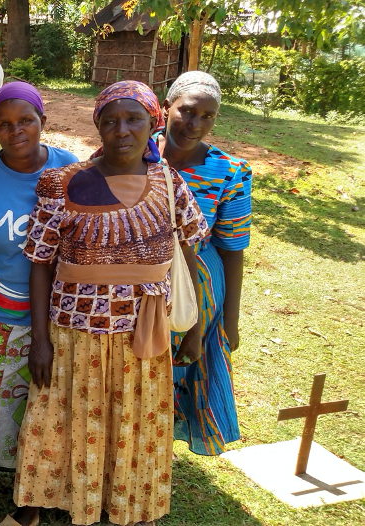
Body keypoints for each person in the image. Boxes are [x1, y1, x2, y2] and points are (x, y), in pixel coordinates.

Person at [12, 81, 209, 526]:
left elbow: (190, 259)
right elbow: (40, 264)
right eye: (110, 120)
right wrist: (40, 340)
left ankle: (127, 502)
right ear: (97, 125)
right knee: (61, 416)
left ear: (153, 123)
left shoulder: (170, 183)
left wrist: (194, 331)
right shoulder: (60, 182)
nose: (122, 129)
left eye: (134, 118)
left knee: (135, 421)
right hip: (74, 333)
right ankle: (41, 500)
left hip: (144, 334)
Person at [0, 82, 78, 491]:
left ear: (43, 121)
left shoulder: (69, 171)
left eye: (26, 120)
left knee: (43, 392)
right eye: (4, 124)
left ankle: (37, 463)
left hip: (57, 311)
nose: (16, 131)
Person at [155, 71, 252, 456]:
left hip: (196, 289)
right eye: (187, 111)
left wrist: (231, 320)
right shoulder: (131, 147)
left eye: (207, 116)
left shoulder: (230, 172)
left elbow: (232, 248)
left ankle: (156, 453)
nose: (194, 124)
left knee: (179, 368)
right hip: (135, 280)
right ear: (167, 107)